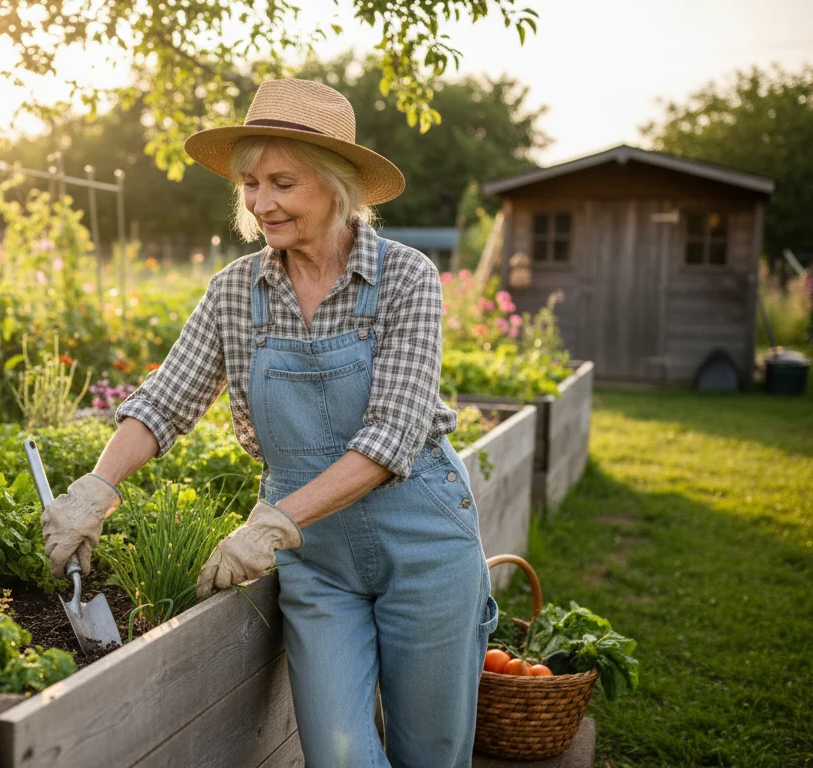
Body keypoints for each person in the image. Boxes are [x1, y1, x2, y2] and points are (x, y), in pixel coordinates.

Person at [40, 78, 498, 768]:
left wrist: (272, 523)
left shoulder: (404, 278)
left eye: (283, 182)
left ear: (338, 185)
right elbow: (168, 399)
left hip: (424, 542)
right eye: (250, 184)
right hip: (320, 562)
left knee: (432, 753)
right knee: (340, 754)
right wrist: (96, 489)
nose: (261, 203)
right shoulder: (236, 290)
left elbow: (392, 438)